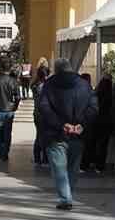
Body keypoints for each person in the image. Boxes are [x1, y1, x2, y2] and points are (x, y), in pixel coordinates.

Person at [35, 57, 98, 210]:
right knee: (72, 168)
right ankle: (67, 196)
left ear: (56, 69)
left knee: (59, 168)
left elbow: (44, 108)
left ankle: (65, 198)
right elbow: (94, 107)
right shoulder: (84, 84)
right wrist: (81, 125)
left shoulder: (49, 84)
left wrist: (62, 125)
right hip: (78, 134)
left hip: (55, 133)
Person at [82, 73, 113, 173]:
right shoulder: (111, 95)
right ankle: (99, 166)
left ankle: (85, 164)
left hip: (93, 121)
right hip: (105, 121)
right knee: (102, 145)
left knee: (90, 143)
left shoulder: (94, 93)